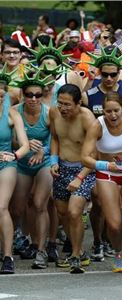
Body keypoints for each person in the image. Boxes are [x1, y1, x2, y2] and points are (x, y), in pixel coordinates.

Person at [82, 91, 122, 273]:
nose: (113, 115)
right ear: (103, 111)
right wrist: (106, 165)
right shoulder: (97, 125)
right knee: (114, 224)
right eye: (108, 111)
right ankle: (118, 252)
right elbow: (85, 157)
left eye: (116, 110)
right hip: (107, 174)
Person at [49, 84, 96, 274]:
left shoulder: (87, 119)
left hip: (83, 169)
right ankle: (80, 250)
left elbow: (93, 153)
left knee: (75, 212)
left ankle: (75, 256)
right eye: (60, 103)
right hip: (62, 167)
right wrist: (53, 161)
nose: (63, 108)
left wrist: (79, 177)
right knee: (62, 213)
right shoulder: (54, 113)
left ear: (78, 103)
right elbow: (54, 138)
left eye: (68, 104)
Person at [10, 71, 54, 269]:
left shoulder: (49, 112)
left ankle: (42, 250)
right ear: (23, 94)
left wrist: (43, 151)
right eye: (29, 95)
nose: (34, 99)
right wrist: (24, 144)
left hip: (43, 162)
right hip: (21, 162)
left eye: (38, 95)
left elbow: (57, 139)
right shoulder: (14, 111)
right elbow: (7, 140)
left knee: (39, 204)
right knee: (17, 208)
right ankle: (16, 241)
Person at [0, 75, 30, 274]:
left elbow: (25, 144)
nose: (1, 97)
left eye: (2, 95)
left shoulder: (11, 114)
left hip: (6, 164)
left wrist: (15, 155)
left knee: (1, 207)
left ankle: (8, 256)